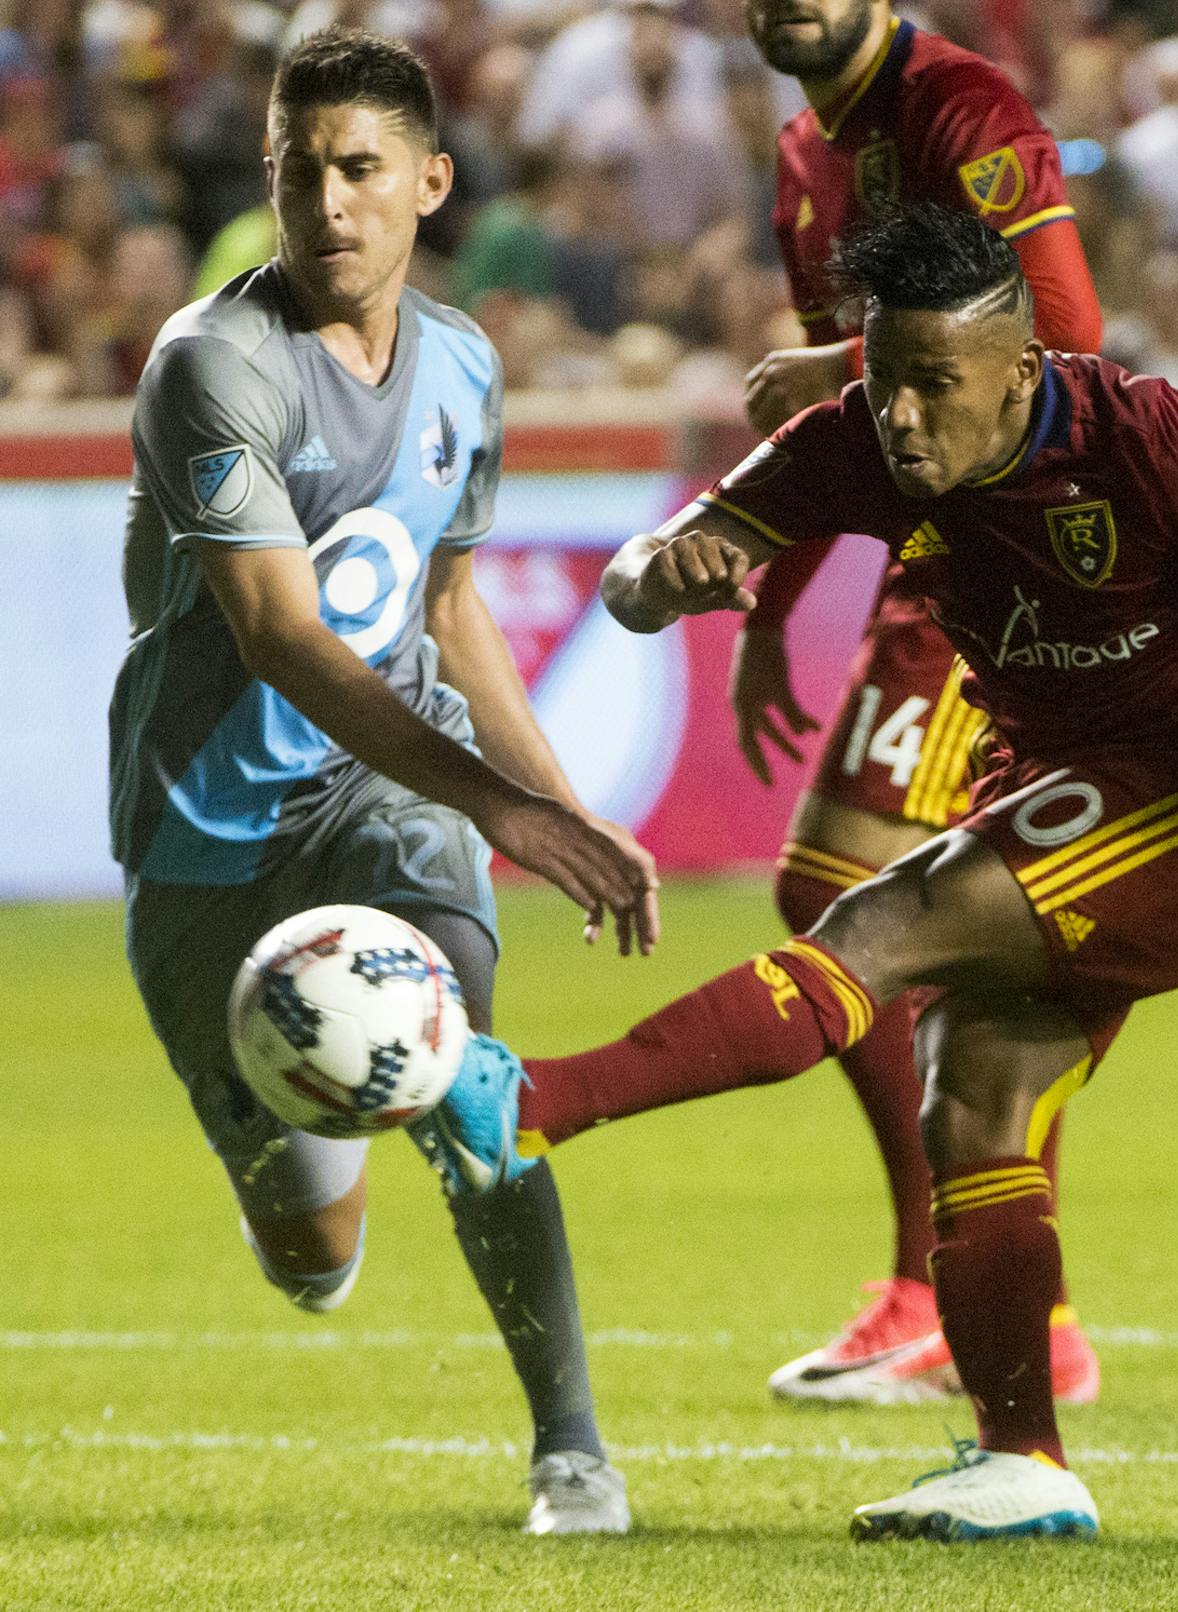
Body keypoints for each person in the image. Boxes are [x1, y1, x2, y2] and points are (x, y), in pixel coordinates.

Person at [417, 201, 1178, 1541]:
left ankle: (532, 1104)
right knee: (975, 1091)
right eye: (885, 378)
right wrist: (665, 577)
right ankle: (1025, 1465)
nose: (906, 418)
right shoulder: (858, 441)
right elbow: (640, 574)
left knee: (880, 927)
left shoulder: (1157, 440)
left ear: (1021, 368)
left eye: (936, 385)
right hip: (1043, 783)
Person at [109, 28, 657, 1536]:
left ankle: (572, 1456)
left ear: (431, 180)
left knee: (471, 1077)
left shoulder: (466, 365)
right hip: (208, 832)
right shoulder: (214, 366)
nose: (329, 205)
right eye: (301, 172)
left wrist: (558, 808)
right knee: (311, 1254)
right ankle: (303, 1174)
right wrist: (510, 807)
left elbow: (450, 613)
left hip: (383, 799)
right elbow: (282, 636)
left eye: (361, 171)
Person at [728, 0, 1106, 1406]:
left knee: (847, 891)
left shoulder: (964, 111)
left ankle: (943, 1290)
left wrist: (835, 364)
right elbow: (850, 435)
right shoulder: (798, 155)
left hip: (1014, 555)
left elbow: (1067, 333)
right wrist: (773, 601)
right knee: (933, 933)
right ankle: (1017, 1306)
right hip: (929, 565)